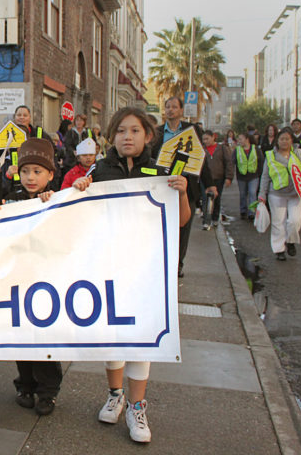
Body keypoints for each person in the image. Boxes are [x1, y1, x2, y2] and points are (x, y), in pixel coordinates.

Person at [72, 107, 190, 443]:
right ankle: (115, 396)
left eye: (135, 130)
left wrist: (182, 192)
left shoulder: (163, 172)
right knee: (112, 333)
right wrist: (80, 188)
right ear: (112, 136)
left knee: (141, 336)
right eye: (121, 131)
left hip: (146, 268)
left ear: (148, 136)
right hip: (107, 264)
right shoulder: (99, 170)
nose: (128, 137)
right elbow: (74, 208)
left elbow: (181, 219)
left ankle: (137, 406)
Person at [0, 139, 62, 417]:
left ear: (50, 175)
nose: (31, 177)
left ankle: (47, 392)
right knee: (21, 336)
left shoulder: (58, 199)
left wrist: (53, 203)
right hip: (17, 278)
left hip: (47, 281)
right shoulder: (12, 198)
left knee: (44, 339)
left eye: (37, 171)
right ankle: (25, 386)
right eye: (25, 171)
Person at [151, 96, 215, 277]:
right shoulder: (156, 133)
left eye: (174, 107)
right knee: (162, 227)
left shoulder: (192, 130)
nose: (170, 110)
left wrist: (209, 184)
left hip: (187, 189)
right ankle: (163, 262)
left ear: (181, 110)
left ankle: (178, 264)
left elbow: (200, 159)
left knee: (183, 228)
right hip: (162, 187)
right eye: (167, 107)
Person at [258, 128, 301, 261]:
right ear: (277, 141)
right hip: (276, 193)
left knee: (295, 220)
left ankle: (290, 241)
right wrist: (262, 194)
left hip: (296, 193)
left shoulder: (298, 153)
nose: (284, 141)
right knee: (278, 223)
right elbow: (265, 176)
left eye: (287, 139)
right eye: (281, 139)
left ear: (291, 140)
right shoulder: (270, 155)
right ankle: (279, 250)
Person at [201, 130, 234, 229]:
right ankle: (206, 220)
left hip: (219, 177)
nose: (205, 141)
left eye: (207, 139)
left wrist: (229, 177)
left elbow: (228, 163)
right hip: (205, 179)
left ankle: (215, 218)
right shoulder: (202, 150)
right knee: (205, 199)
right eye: (203, 139)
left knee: (217, 199)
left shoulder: (222, 148)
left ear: (213, 137)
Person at [234, 132, 264, 221]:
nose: (239, 141)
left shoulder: (256, 149)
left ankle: (252, 212)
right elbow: (233, 161)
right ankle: (243, 211)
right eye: (238, 139)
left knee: (252, 193)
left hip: (253, 176)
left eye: (241, 139)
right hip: (241, 176)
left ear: (247, 139)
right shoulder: (237, 150)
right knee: (242, 194)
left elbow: (261, 161)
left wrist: (260, 174)